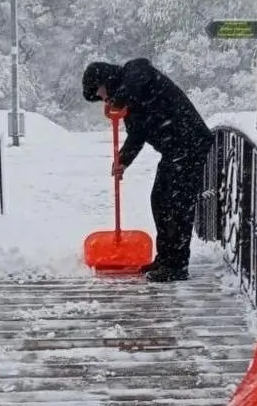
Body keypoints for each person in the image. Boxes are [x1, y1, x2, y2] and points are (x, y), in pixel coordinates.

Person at [82, 58, 214, 282]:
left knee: (177, 205)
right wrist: (123, 159)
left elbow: (139, 74)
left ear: (104, 80)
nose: (102, 98)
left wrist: (119, 99)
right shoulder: (130, 104)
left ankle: (177, 265)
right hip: (175, 149)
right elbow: (137, 134)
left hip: (189, 144)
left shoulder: (135, 72)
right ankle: (165, 258)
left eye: (99, 92)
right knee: (161, 201)